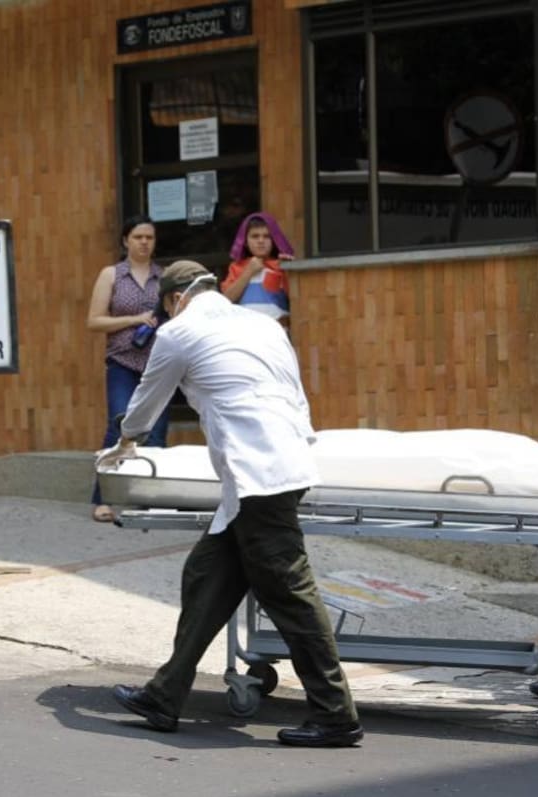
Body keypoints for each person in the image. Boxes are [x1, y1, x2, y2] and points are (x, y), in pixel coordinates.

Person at [97, 260, 363, 747]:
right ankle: (165, 694)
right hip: (278, 466)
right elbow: (295, 395)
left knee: (291, 595)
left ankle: (335, 714)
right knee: (206, 577)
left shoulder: (179, 332)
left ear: (175, 299)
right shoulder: (262, 325)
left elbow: (147, 400)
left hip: (257, 477)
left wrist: (126, 439)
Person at [86, 215, 171, 523]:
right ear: (126, 241)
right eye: (138, 237)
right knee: (119, 424)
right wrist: (136, 319)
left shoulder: (164, 277)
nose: (144, 242)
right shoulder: (112, 275)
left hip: (158, 365)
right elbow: (94, 321)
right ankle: (104, 499)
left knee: (157, 430)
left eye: (149, 237)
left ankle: (152, 499)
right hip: (122, 360)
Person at [220, 212, 295, 325]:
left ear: (274, 240)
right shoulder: (236, 268)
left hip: (276, 331)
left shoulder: (281, 266)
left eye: (266, 236)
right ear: (245, 242)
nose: (261, 241)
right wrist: (248, 272)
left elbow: (297, 299)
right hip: (246, 333)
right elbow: (226, 300)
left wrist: (290, 271)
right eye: (255, 236)